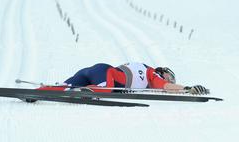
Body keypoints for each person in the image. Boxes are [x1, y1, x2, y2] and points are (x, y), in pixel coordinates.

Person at [39, 62, 209, 95]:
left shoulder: (141, 67)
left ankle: (37, 93)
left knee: (65, 86)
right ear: (162, 71)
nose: (169, 81)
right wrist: (187, 88)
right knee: (107, 89)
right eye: (169, 77)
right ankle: (88, 91)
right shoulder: (153, 74)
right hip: (106, 74)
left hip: (96, 70)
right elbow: (166, 87)